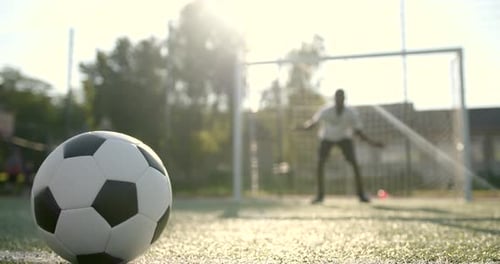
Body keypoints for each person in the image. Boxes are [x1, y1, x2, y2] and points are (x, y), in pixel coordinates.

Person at [296, 89, 383, 203]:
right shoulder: (326, 111)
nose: (339, 100)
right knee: (320, 164)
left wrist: (372, 143)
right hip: (327, 138)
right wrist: (302, 127)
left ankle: (361, 195)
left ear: (344, 99)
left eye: (342, 98)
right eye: (338, 98)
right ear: (335, 99)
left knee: (355, 164)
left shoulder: (351, 113)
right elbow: (313, 123)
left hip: (344, 138)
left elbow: (358, 132)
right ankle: (319, 196)